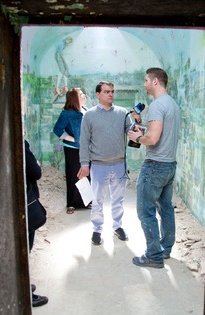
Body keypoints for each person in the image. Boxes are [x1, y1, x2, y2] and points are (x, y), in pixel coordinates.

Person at [127, 68, 181, 269]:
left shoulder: (157, 105)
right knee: (166, 208)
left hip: (155, 166)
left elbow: (153, 138)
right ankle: (165, 249)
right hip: (169, 165)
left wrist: (138, 138)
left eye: (146, 80)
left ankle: (153, 256)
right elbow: (161, 133)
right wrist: (143, 127)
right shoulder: (172, 104)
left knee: (145, 211)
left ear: (155, 81)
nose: (144, 84)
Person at [77, 81, 140, 245]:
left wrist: (137, 123)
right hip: (98, 165)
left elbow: (132, 133)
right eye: (106, 92)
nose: (110, 94)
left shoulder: (122, 113)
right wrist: (85, 164)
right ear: (98, 94)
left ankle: (117, 226)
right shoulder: (89, 115)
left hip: (119, 164)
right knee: (97, 201)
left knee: (118, 200)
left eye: (112, 91)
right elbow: (84, 141)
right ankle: (97, 230)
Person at [53, 88, 90, 214]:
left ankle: (86, 202)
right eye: (81, 94)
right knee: (73, 174)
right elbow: (57, 129)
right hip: (72, 149)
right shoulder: (67, 113)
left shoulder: (86, 111)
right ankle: (72, 203)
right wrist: (73, 138)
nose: (84, 96)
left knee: (86, 174)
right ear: (74, 98)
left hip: (87, 149)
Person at [24, 140, 49, 307]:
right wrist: (37, 165)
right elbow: (35, 171)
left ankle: (24, 285)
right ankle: (26, 293)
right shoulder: (19, 143)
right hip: (25, 203)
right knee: (25, 249)